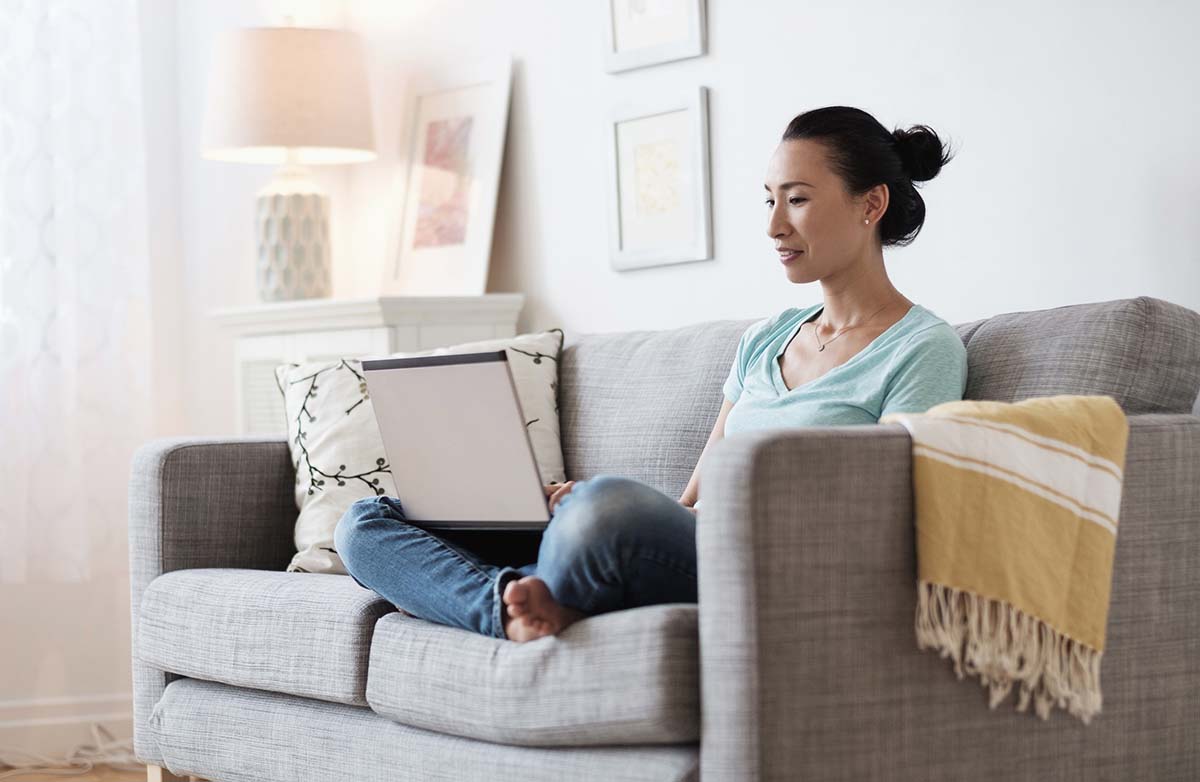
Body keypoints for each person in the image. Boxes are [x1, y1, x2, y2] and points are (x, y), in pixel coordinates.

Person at [334, 105, 968, 643]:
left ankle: (542, 587)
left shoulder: (922, 348)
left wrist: (605, 507)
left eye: (797, 200)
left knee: (605, 508)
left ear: (871, 204)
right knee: (366, 523)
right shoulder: (766, 339)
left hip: (764, 564)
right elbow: (691, 501)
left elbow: (891, 520)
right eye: (769, 200)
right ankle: (511, 605)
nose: (773, 225)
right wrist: (573, 503)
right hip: (681, 543)